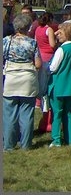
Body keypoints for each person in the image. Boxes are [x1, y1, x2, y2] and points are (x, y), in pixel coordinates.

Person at [3, 13, 42, 150]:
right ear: (28, 27)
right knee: (26, 114)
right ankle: (26, 144)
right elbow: (38, 64)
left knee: (9, 115)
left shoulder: (6, 41)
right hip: (27, 79)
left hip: (11, 78)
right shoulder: (32, 42)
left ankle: (8, 145)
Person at [47, 22, 71, 147]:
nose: (57, 35)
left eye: (60, 33)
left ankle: (56, 139)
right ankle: (70, 139)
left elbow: (53, 67)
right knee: (69, 113)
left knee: (56, 113)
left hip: (58, 85)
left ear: (67, 34)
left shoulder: (61, 49)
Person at [34, 11, 58, 113]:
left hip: (39, 55)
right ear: (50, 20)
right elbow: (52, 45)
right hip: (48, 56)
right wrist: (57, 43)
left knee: (40, 81)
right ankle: (46, 104)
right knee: (47, 81)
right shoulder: (49, 29)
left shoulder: (38, 29)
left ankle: (38, 102)